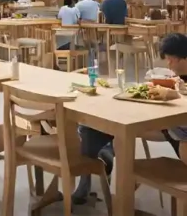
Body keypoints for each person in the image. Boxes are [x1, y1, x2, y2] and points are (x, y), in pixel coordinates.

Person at [71, 33, 187, 203]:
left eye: (172, 60)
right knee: (95, 129)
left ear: (184, 57)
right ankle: (103, 180)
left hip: (176, 131)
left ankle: (120, 181)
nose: (169, 64)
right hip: (164, 126)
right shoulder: (177, 79)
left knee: (118, 132)